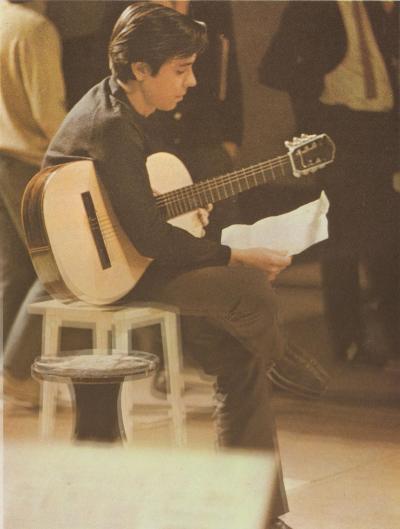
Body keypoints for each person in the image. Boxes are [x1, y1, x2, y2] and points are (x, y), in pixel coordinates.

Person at [30, 4, 295, 526]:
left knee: (238, 355)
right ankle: (288, 363)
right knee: (250, 289)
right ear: (140, 69)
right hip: (105, 273)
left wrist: (181, 208)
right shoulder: (112, 125)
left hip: (123, 259)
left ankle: (258, 512)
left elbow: (135, 206)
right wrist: (233, 253)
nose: (192, 82)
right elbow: (149, 236)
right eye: (181, 69)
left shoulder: (117, 106)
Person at [258, 0, 399, 365]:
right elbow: (273, 69)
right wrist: (315, 91)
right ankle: (350, 342)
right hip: (340, 130)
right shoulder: (311, 7)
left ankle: (393, 336)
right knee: (342, 242)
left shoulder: (374, 7)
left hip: (381, 131)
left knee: (389, 239)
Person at [0, 0, 67, 403]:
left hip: (2, 158)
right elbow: (49, 114)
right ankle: (15, 370)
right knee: (58, 266)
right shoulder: (35, 29)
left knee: (14, 271)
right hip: (28, 164)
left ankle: (11, 372)